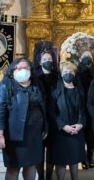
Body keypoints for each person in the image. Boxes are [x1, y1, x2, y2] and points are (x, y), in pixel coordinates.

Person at [0, 57, 48, 180]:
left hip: (34, 134)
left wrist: (45, 127)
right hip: (14, 135)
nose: (22, 70)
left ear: (30, 70)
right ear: (13, 70)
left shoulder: (36, 84)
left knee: (31, 166)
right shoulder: (5, 85)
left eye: (25, 68)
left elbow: (43, 107)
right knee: (13, 168)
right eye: (19, 68)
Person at [49, 61, 86, 180]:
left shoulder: (79, 91)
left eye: (70, 72)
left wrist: (80, 123)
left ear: (74, 74)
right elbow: (51, 112)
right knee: (61, 160)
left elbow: (83, 110)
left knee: (74, 160)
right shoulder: (55, 91)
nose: (68, 74)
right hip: (61, 132)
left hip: (76, 130)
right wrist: (63, 126)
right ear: (61, 74)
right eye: (65, 72)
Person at [32, 41, 59, 180]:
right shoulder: (34, 76)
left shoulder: (57, 75)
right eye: (45, 59)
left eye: (49, 59)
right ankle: (40, 176)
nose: (48, 61)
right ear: (39, 61)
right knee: (39, 150)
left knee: (52, 150)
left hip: (54, 116)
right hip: (39, 117)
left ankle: (49, 175)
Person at [76, 50, 94, 169]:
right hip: (81, 106)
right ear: (80, 59)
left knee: (91, 135)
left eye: (89, 56)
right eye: (84, 56)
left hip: (93, 106)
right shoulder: (77, 71)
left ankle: (90, 157)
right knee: (82, 134)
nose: (87, 58)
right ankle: (83, 158)